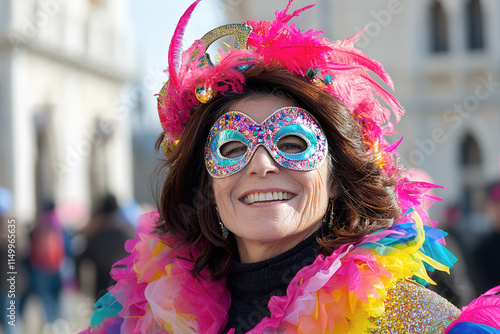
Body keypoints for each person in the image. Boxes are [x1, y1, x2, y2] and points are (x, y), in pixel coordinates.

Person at [81, 1, 500, 333]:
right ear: (207, 183)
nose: (261, 163)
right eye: (232, 148)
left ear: (336, 180)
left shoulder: (409, 321)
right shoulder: (149, 316)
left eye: (292, 143)